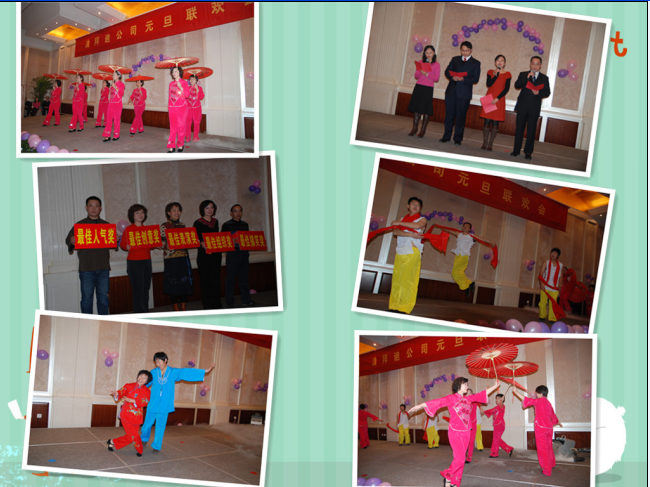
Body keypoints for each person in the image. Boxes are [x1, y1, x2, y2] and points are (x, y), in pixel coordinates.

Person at [409, 377, 500, 487]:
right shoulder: (451, 398)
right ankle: (448, 475)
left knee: (460, 460)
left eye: (467, 384)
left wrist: (495, 386)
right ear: (458, 386)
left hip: (467, 432)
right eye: (465, 384)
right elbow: (438, 402)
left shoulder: (468, 399)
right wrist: (421, 406)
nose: (467, 386)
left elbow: (481, 394)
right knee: (460, 459)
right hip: (455, 433)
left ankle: (455, 482)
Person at [141, 352, 215, 453]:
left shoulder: (173, 372)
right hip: (153, 403)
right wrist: (136, 389)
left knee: (160, 426)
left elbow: (185, 372)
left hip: (165, 405)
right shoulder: (153, 372)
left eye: (159, 361)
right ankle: (144, 439)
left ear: (165, 360)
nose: (157, 364)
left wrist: (204, 371)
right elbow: (145, 383)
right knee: (147, 424)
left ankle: (156, 446)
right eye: (156, 362)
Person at [65, 196, 116, 314]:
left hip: (103, 268)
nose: (93, 208)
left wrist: (116, 239)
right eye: (91, 206)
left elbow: (113, 244)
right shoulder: (79, 225)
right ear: (86, 208)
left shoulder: (106, 225)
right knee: (87, 300)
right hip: (86, 269)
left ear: (100, 208)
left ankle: (103, 322)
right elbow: (68, 240)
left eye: (96, 206)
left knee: (103, 298)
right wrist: (72, 242)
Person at [388, 197, 427, 314]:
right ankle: (394, 306)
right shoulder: (402, 219)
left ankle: (404, 308)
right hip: (400, 252)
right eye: (413, 203)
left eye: (418, 205)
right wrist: (410, 234)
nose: (415, 206)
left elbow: (417, 226)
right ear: (408, 206)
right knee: (397, 280)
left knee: (409, 281)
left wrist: (399, 223)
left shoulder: (422, 219)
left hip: (412, 252)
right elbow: (395, 232)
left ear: (420, 208)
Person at [513, 386, 561, 477]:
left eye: (536, 393)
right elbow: (552, 414)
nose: (535, 394)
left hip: (541, 428)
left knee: (542, 449)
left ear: (540, 393)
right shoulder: (548, 402)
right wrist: (557, 422)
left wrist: (516, 392)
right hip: (549, 428)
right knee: (549, 446)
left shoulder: (539, 401)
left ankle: (547, 470)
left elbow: (527, 400)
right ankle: (552, 463)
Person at [440, 41, 480, 146]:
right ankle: (446, 136)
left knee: (461, 117)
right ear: (460, 50)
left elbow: (475, 79)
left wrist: (463, 79)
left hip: (464, 94)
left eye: (467, 50)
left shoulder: (476, 63)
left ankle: (458, 138)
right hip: (451, 91)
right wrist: (452, 76)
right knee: (449, 115)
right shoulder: (455, 59)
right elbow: (447, 71)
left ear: (471, 50)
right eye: (463, 50)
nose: (465, 52)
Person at [511, 56, 551, 160]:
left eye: (537, 64)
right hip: (522, 106)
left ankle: (528, 152)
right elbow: (517, 85)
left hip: (534, 108)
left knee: (531, 131)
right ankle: (516, 150)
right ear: (530, 64)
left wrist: (539, 93)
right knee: (519, 129)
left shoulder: (544, 78)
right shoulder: (523, 74)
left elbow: (547, 92)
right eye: (533, 63)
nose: (535, 66)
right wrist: (527, 77)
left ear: (540, 65)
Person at [120, 204, 156, 313]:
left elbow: (151, 246)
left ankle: (145, 313)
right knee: (138, 290)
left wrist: (156, 243)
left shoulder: (147, 229)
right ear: (132, 215)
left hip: (147, 261)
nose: (140, 215)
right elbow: (122, 245)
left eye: (142, 212)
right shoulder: (128, 229)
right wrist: (126, 246)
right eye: (137, 212)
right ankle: (139, 314)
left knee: (146, 289)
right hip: (134, 262)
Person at [107, 370, 152, 457]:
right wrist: (117, 394)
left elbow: (145, 402)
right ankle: (140, 450)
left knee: (130, 436)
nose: (141, 378)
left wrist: (133, 400)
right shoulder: (129, 386)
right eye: (141, 376)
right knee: (134, 435)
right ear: (137, 376)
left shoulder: (147, 391)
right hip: (126, 415)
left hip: (137, 417)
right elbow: (122, 391)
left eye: (144, 378)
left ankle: (112, 442)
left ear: (147, 381)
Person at [161, 202, 194, 311]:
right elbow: (160, 243)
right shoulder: (164, 226)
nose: (177, 212)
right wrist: (166, 245)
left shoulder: (182, 225)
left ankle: (183, 305)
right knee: (173, 283)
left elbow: (185, 240)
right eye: (174, 210)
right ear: (168, 212)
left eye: (178, 210)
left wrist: (193, 240)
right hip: (171, 259)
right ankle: (175, 306)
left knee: (184, 282)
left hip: (183, 257)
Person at [222, 204, 254, 308]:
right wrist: (232, 240)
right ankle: (229, 301)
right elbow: (223, 240)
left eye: (240, 211)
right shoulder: (226, 225)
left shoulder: (245, 225)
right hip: (232, 254)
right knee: (230, 279)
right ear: (231, 213)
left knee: (244, 279)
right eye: (235, 211)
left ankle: (246, 300)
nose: (238, 213)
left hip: (244, 254)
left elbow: (247, 239)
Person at [193, 200, 223, 310]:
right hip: (204, 256)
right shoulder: (198, 222)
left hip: (216, 255)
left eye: (211, 207)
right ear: (202, 209)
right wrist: (201, 242)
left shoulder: (216, 221)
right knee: (205, 281)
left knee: (216, 280)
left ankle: (217, 303)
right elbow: (195, 238)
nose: (210, 210)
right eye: (207, 208)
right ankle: (207, 305)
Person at [407, 45, 440, 138]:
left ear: (434, 53)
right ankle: (414, 128)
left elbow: (436, 78)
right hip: (419, 86)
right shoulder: (421, 62)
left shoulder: (436, 64)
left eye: (430, 52)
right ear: (424, 53)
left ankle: (423, 130)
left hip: (428, 88)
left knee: (426, 109)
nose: (428, 54)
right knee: (416, 108)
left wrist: (427, 74)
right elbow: (416, 76)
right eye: (426, 53)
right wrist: (420, 71)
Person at [479, 55, 511, 151]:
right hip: (489, 98)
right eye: (498, 60)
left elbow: (506, 89)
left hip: (499, 99)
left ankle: (490, 144)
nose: (500, 62)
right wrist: (495, 75)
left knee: (495, 121)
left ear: (504, 63)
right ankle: (485, 142)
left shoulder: (508, 74)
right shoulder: (490, 72)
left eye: (502, 60)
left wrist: (498, 98)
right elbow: (489, 84)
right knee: (487, 120)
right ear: (495, 62)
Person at [167, 66, 189, 152]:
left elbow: (187, 95)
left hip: (181, 107)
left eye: (175, 71)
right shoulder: (171, 84)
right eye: (173, 72)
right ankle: (171, 146)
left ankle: (180, 144)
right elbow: (170, 97)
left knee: (181, 126)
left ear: (180, 72)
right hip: (172, 107)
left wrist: (181, 87)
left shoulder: (184, 82)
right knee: (172, 127)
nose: (174, 73)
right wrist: (169, 106)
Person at [484, 394, 514, 458]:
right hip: (497, 425)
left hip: (500, 425)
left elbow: (501, 406)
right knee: (497, 439)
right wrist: (483, 411)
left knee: (496, 439)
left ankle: (494, 453)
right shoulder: (495, 407)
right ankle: (509, 449)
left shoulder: (502, 406)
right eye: (496, 398)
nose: (496, 400)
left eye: (498, 398)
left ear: (501, 399)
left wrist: (501, 401)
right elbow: (490, 411)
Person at [539, 248, 564, 322]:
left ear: (558, 255)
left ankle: (552, 318)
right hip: (545, 286)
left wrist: (559, 285)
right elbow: (540, 274)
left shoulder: (561, 265)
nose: (553, 254)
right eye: (552, 252)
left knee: (553, 304)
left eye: (555, 253)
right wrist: (541, 285)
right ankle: (542, 316)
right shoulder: (546, 263)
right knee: (542, 302)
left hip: (554, 287)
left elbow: (561, 276)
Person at [103, 70, 125, 142]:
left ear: (118, 76)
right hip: (111, 104)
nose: (113, 76)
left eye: (114, 74)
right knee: (108, 119)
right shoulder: (112, 85)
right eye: (112, 74)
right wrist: (113, 86)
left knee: (116, 120)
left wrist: (115, 87)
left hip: (117, 104)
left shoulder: (121, 84)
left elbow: (121, 93)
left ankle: (116, 135)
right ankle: (107, 135)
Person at [186, 74, 205, 143]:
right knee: (188, 123)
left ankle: (195, 137)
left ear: (196, 80)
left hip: (197, 108)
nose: (191, 80)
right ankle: (187, 137)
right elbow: (185, 97)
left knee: (196, 123)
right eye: (190, 79)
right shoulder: (187, 88)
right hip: (189, 108)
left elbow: (201, 97)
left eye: (193, 79)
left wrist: (197, 90)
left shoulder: (199, 88)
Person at [465, 389, 483, 462]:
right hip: (465, 425)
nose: (469, 394)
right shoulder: (463, 402)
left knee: (471, 441)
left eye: (470, 393)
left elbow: (483, 399)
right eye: (467, 393)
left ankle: (469, 457)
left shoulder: (475, 402)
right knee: (465, 441)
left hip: (473, 424)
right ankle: (462, 456)